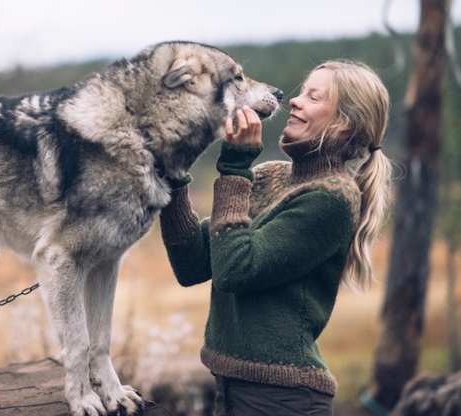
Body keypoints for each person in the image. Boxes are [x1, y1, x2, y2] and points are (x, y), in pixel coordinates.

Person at [159, 60, 392, 415]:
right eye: (301, 92)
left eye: (314, 98)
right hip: (232, 389)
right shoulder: (271, 176)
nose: (295, 101)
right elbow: (190, 263)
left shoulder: (331, 199)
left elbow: (236, 270)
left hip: (283, 399)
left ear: (344, 124)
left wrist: (234, 168)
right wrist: (173, 173)